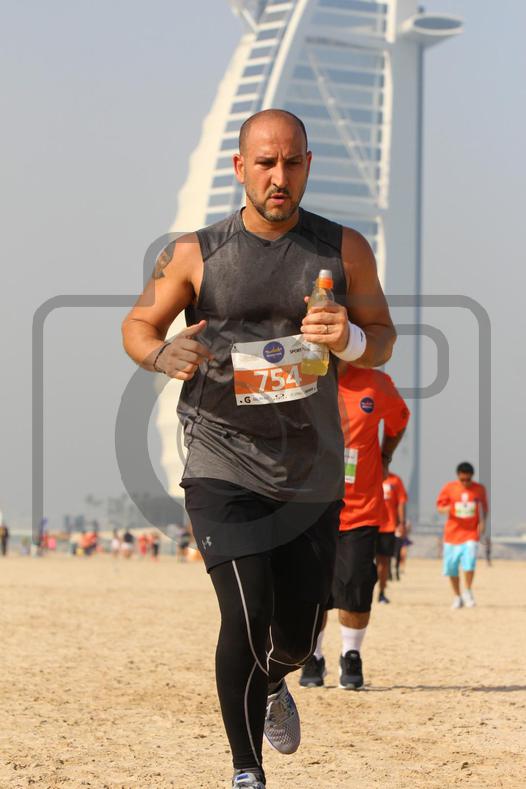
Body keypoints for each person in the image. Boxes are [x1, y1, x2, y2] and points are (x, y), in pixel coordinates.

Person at [121, 109, 396, 789]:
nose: (279, 176)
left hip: (310, 470)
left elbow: (383, 338)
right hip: (221, 460)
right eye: (266, 163)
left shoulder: (345, 249)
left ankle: (276, 681)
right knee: (245, 615)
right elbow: (139, 323)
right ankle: (247, 771)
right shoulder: (194, 253)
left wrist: (348, 340)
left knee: (297, 637)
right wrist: (160, 353)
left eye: (292, 162)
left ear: (308, 165)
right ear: (240, 167)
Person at [300, 365, 409, 690]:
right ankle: (313, 656)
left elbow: (399, 420)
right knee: (310, 590)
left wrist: (385, 456)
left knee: (356, 585)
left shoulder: (376, 384)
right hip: (308, 507)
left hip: (360, 508)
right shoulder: (298, 375)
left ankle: (351, 654)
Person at [436, 462, 488, 609]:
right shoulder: (449, 488)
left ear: (472, 476)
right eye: (462, 480)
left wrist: (482, 524)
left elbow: (484, 509)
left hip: (470, 533)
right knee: (451, 567)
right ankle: (457, 596)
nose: (465, 483)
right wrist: (447, 509)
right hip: (452, 535)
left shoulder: (479, 489)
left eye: (468, 480)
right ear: (458, 476)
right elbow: (440, 506)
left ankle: (468, 591)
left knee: (469, 562)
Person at [381, 472, 408, 590]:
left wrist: (401, 523)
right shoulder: (369, 475)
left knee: (387, 557)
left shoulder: (396, 480)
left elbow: (401, 502)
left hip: (390, 526)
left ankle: (382, 590)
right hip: (371, 523)